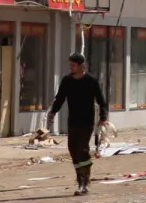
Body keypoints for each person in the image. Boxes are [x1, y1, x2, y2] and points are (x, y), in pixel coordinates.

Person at [46, 53, 109, 195]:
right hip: (73, 120)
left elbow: (101, 100)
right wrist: (53, 112)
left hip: (87, 121)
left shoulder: (91, 81)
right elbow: (60, 98)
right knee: (73, 150)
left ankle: (84, 182)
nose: (70, 67)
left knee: (82, 149)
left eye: (73, 65)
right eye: (70, 64)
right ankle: (80, 177)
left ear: (81, 66)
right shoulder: (67, 81)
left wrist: (103, 117)